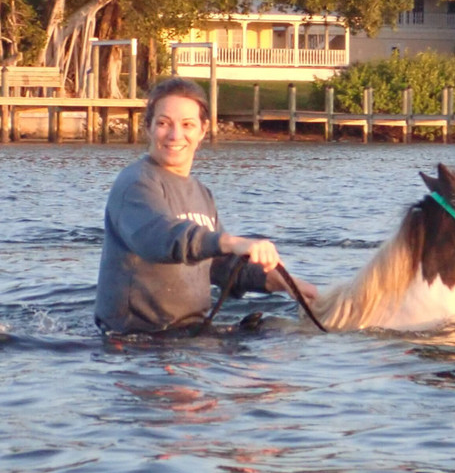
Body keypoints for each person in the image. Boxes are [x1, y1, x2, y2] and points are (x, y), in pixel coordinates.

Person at [94, 77, 317, 335]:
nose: (176, 135)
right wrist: (232, 242)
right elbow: (159, 238)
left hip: (190, 338)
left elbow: (221, 266)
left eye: (187, 124)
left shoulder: (202, 194)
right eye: (164, 123)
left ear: (203, 130)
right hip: (135, 344)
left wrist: (285, 283)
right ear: (148, 127)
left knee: (282, 352)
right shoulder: (135, 183)